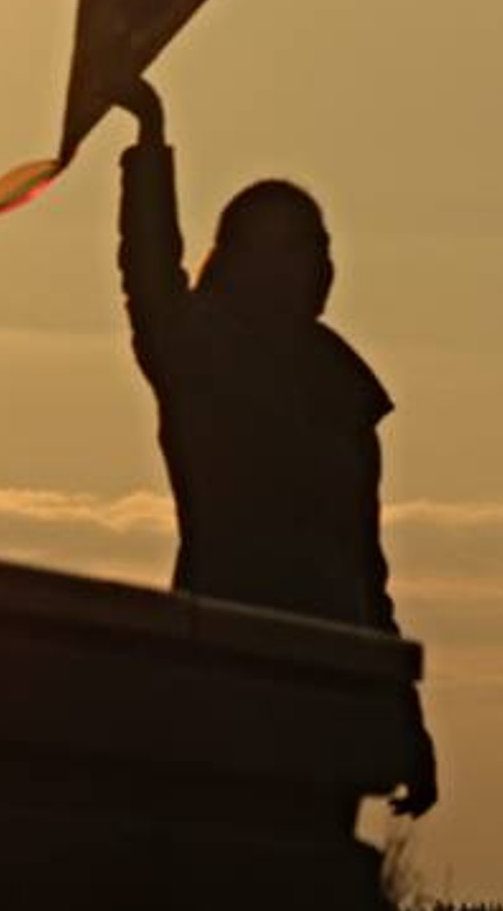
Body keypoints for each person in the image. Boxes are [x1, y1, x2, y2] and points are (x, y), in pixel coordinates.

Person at [114, 77, 438, 818]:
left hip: (326, 694)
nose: (324, 265)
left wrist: (403, 722)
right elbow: (148, 276)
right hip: (224, 680)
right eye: (303, 246)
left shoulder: (340, 394)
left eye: (324, 246)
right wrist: (151, 136)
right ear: (247, 260)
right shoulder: (200, 357)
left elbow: (367, 574)